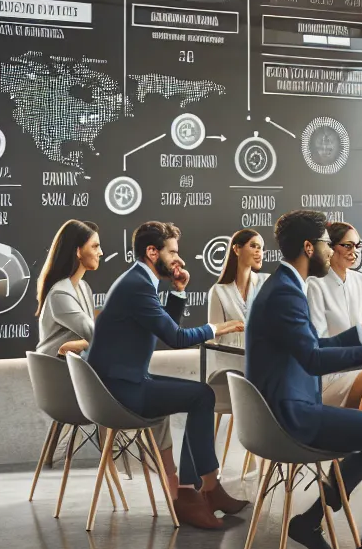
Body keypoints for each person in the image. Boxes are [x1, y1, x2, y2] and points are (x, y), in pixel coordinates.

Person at [245, 210, 362, 549]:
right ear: (309, 247)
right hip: (293, 415)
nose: (329, 251)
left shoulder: (283, 286)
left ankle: (311, 519)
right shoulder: (287, 293)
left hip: (287, 408)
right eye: (327, 244)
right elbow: (313, 359)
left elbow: (314, 345)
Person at [85, 221, 246, 529]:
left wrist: (179, 292)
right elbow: (177, 338)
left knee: (199, 396)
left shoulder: (138, 281)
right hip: (119, 394)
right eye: (172, 252)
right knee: (202, 396)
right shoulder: (137, 286)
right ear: (151, 251)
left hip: (122, 384)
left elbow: (163, 330)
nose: (178, 260)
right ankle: (193, 494)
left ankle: (206, 490)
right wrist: (218, 328)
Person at [305, 222, 362, 416]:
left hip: (359, 367)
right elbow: (319, 345)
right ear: (330, 247)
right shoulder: (315, 284)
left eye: (357, 246)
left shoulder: (359, 280)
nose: (354, 251)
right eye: (347, 245)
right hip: (329, 374)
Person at [206, 228, 268, 426]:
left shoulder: (266, 283)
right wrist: (229, 327)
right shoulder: (219, 291)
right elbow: (212, 340)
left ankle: (259, 450)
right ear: (237, 249)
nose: (259, 252)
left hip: (261, 363)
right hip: (230, 366)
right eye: (254, 246)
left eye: (262, 248)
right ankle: (256, 451)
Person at [37, 219, 102, 356]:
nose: (100, 252)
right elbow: (94, 334)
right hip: (55, 367)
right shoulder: (59, 294)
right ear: (78, 251)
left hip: (76, 365)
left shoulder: (84, 287)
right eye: (95, 246)